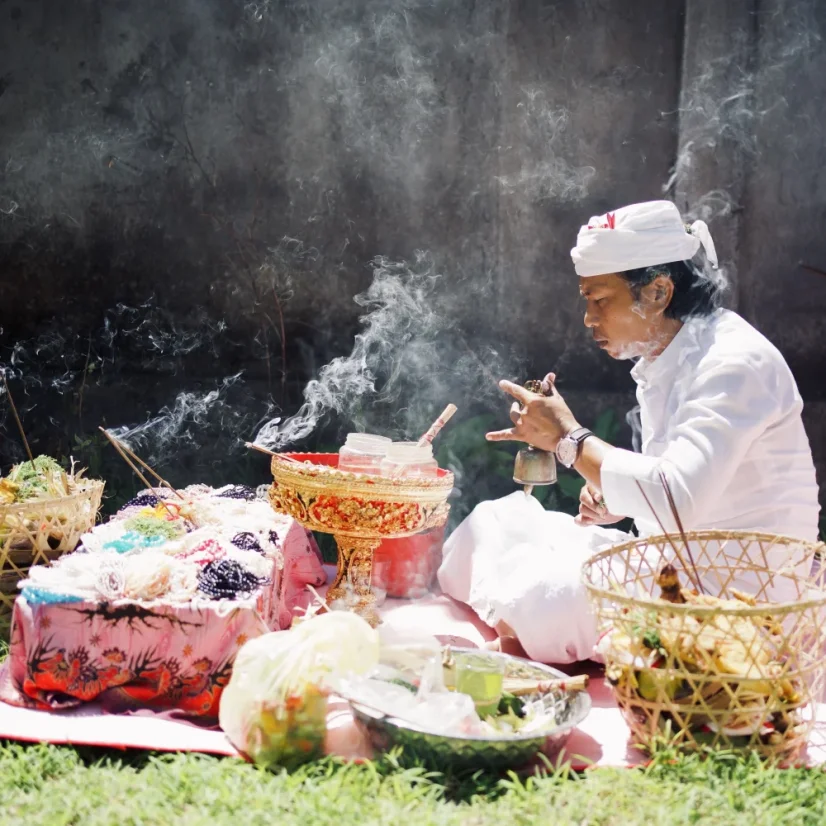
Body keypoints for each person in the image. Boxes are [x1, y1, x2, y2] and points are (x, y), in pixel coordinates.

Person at [437, 200, 821, 664]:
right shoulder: (667, 355)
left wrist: (570, 439)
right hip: (669, 565)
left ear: (658, 292)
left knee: (547, 595)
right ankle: (529, 628)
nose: (588, 318)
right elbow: (673, 481)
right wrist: (613, 499)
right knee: (487, 525)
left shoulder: (733, 362)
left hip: (737, 601)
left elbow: (676, 496)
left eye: (600, 300)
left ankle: (529, 629)